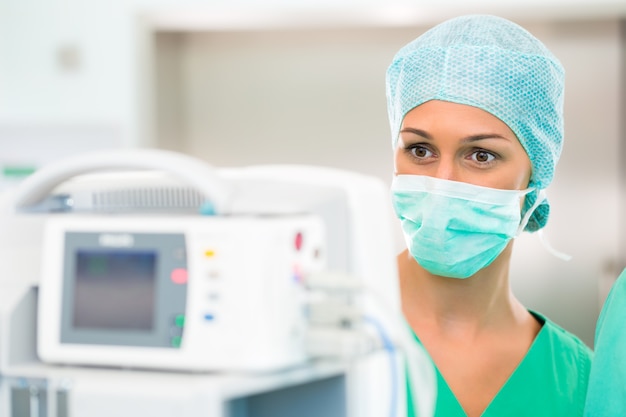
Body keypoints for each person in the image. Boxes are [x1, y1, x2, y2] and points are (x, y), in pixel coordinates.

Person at [385, 15, 593, 416]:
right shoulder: (325, 330)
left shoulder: (579, 381)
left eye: (481, 155)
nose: (442, 183)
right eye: (420, 151)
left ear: (535, 176)